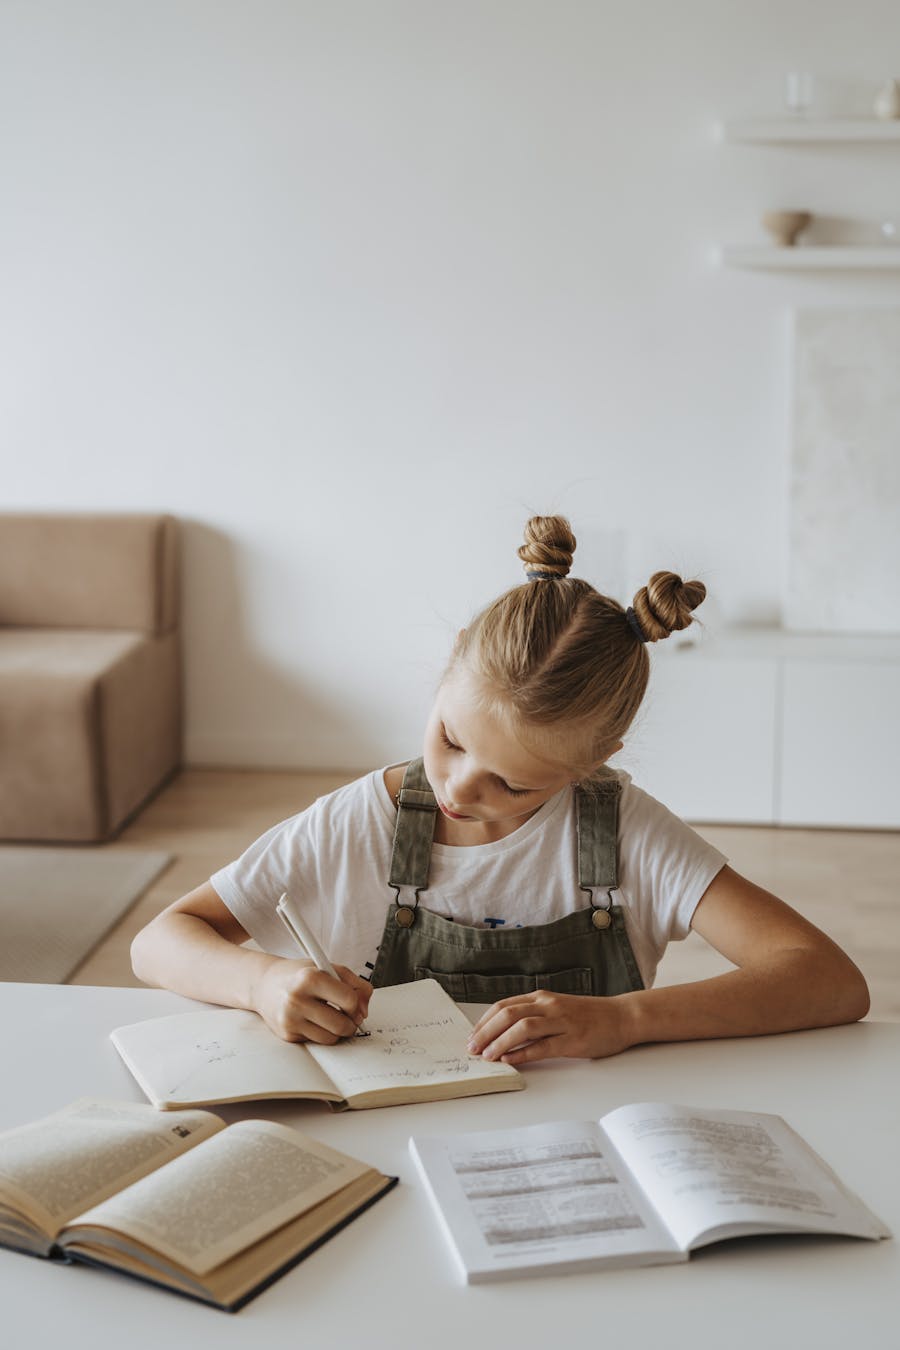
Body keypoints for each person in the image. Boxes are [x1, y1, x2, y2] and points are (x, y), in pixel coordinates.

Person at [131, 515, 870, 1065]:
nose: (456, 785)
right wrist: (261, 983)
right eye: (450, 739)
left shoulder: (628, 835)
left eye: (512, 783)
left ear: (593, 761)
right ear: (451, 665)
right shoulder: (361, 822)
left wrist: (627, 1020)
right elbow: (159, 942)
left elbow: (828, 981)